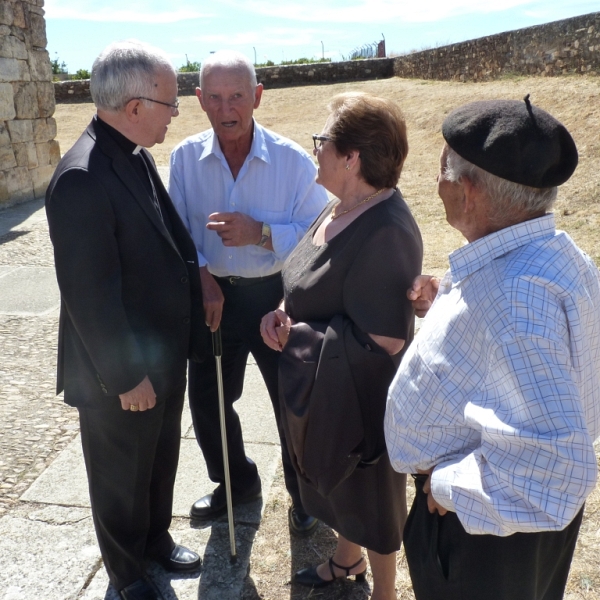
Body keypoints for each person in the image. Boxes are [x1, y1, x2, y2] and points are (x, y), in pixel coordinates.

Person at [385, 96, 600, 600]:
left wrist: (445, 487)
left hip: (482, 531)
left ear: (467, 191)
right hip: (497, 529)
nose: (435, 183)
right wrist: (451, 311)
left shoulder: (513, 298)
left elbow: (552, 473)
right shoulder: (554, 255)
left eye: (441, 170)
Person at [45, 41, 208, 600]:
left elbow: (170, 237)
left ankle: (154, 542)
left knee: (160, 456)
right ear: (135, 105)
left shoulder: (133, 153)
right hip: (119, 370)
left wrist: (199, 283)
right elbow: (90, 294)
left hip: (161, 352)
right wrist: (125, 375)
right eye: (170, 103)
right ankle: (128, 575)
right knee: (119, 475)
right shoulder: (82, 177)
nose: (175, 114)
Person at [261, 92, 423, 600]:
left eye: (322, 141)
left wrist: (297, 340)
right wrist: (285, 311)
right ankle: (347, 560)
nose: (316, 151)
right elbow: (310, 284)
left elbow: (384, 339)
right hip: (328, 387)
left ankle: (385, 592)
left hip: (360, 399)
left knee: (370, 495)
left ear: (351, 157)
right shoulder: (342, 206)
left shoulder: (387, 230)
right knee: (340, 488)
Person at [169, 50, 328, 535]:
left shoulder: (293, 161)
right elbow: (175, 232)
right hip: (213, 297)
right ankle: (235, 485)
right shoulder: (184, 159)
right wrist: (201, 277)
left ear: (257, 97)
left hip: (277, 299)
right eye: (214, 97)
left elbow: (319, 232)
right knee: (209, 402)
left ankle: (306, 497)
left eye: (237, 95)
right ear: (199, 100)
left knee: (293, 402)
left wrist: (260, 233)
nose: (226, 108)